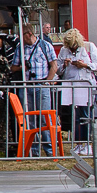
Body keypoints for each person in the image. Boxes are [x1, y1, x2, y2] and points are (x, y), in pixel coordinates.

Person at [56, 27, 97, 155]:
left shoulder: (89, 47)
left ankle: (87, 143)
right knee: (74, 116)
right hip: (70, 85)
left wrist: (85, 65)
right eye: (70, 47)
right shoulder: (64, 50)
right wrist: (64, 65)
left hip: (85, 84)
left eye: (74, 47)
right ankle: (78, 143)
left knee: (85, 115)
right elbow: (58, 70)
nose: (72, 50)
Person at [20, 23, 59, 157]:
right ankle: (34, 150)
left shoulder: (45, 46)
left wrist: (47, 82)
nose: (21, 38)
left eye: (23, 35)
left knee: (45, 117)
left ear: (29, 34)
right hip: (27, 85)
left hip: (41, 85)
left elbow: (54, 66)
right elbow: (13, 67)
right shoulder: (21, 47)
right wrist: (22, 67)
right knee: (30, 119)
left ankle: (49, 150)